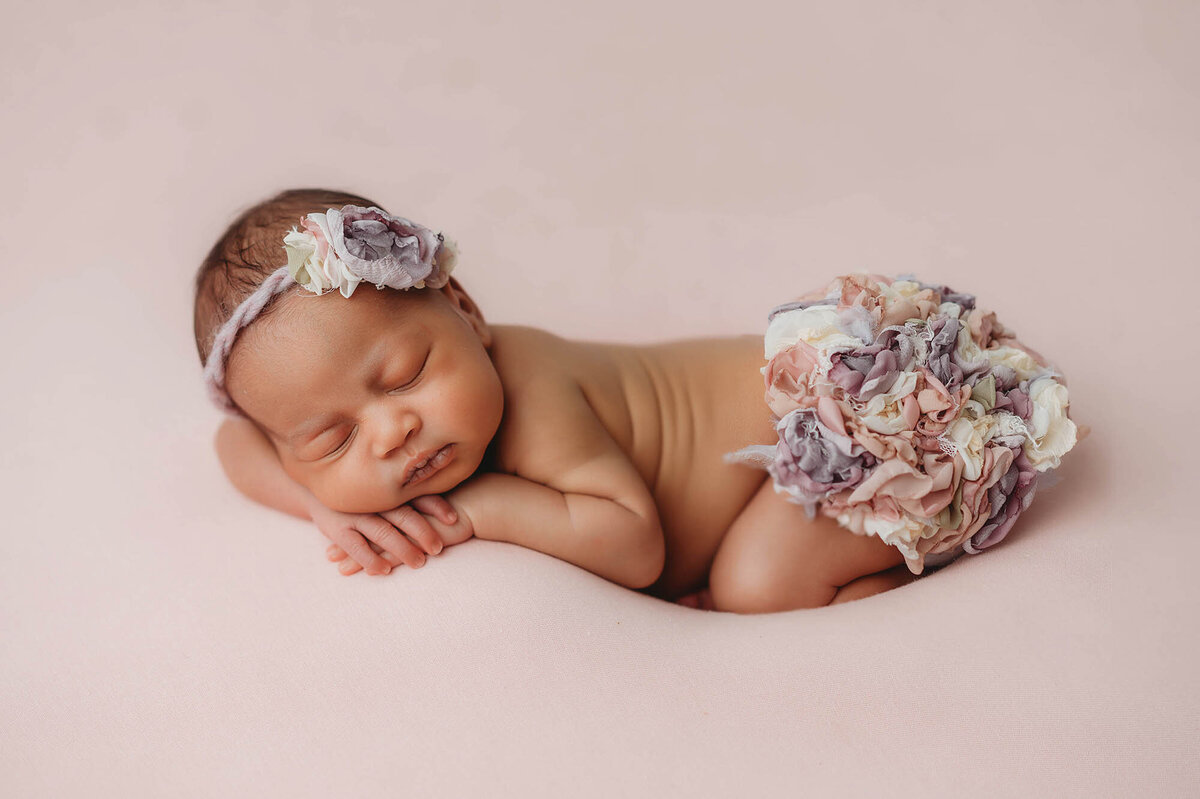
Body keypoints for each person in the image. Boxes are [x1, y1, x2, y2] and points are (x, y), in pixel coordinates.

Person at [194, 188, 1081, 613]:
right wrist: (317, 501)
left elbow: (635, 544)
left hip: (848, 436)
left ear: (468, 312)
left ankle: (919, 578)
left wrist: (477, 509)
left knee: (754, 585)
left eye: (406, 375)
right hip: (782, 459)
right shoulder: (327, 441)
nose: (392, 430)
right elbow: (235, 449)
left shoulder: (531, 389)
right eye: (331, 436)